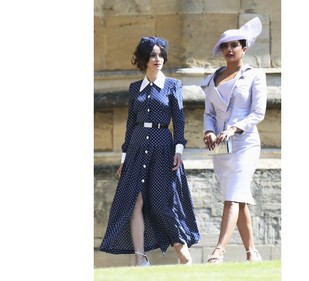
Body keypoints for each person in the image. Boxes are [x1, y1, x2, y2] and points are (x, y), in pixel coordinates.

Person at [99, 36, 200, 266]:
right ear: (144, 59)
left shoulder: (173, 85)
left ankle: (179, 244)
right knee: (134, 201)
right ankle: (139, 257)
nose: (158, 59)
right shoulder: (135, 88)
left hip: (163, 147)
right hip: (136, 149)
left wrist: (179, 149)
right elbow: (130, 124)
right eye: (153, 55)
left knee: (162, 201)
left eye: (161, 54)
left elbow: (180, 121)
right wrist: (124, 157)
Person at [201, 17, 267, 263]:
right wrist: (209, 131)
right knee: (238, 196)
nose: (229, 50)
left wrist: (234, 128)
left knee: (232, 196)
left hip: (245, 144)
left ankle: (219, 251)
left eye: (234, 45)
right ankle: (252, 253)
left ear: (244, 48)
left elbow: (258, 113)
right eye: (225, 46)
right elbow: (208, 113)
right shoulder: (212, 78)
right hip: (220, 147)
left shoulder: (255, 76)